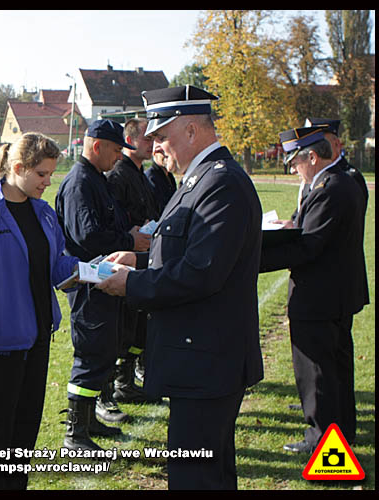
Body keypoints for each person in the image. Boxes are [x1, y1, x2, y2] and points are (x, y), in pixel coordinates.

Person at [97, 85, 264, 490]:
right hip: (202, 358)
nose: (156, 147)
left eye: (162, 136)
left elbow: (200, 273)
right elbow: (186, 248)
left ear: (191, 130)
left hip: (208, 362)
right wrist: (137, 258)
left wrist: (132, 283)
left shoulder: (219, 184)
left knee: (195, 477)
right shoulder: (200, 180)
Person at [0, 132, 78, 489]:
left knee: (25, 433)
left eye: (51, 174)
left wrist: (90, 270)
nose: (48, 182)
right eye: (42, 174)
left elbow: (55, 267)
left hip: (38, 339)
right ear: (19, 168)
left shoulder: (45, 213)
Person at [259, 125, 366, 453]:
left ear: (314, 157)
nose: (292, 168)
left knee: (316, 368)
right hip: (337, 291)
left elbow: (308, 247)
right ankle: (343, 426)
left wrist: (253, 258)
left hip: (318, 294)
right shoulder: (338, 180)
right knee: (336, 364)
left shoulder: (329, 186)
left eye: (295, 162)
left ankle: (321, 437)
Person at [55, 119, 144, 451]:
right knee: (91, 352)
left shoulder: (97, 179)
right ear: (97, 146)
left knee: (105, 349)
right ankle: (74, 433)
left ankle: (89, 420)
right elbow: (88, 236)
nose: (119, 156)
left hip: (104, 280)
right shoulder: (80, 182)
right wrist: (129, 240)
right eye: (116, 149)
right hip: (89, 284)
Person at [105, 117, 160, 405]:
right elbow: (116, 221)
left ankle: (127, 381)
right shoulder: (118, 175)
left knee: (138, 323)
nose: (152, 145)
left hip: (143, 255)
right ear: (131, 140)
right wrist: (131, 238)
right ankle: (120, 384)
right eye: (147, 139)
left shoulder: (141, 173)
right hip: (125, 258)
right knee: (125, 325)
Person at [145, 149, 177, 215]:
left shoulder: (169, 175)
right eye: (162, 152)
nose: (166, 155)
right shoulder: (151, 177)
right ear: (154, 153)